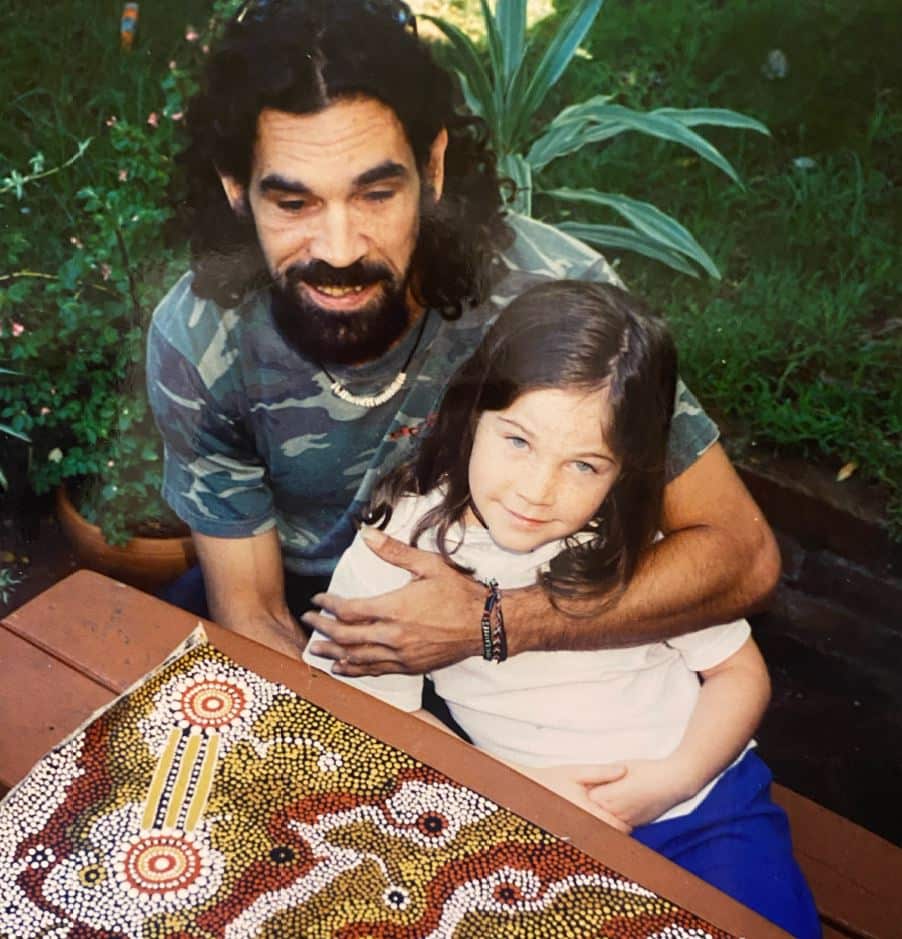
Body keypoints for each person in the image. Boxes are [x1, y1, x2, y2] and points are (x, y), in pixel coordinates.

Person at [147, 0, 780, 675]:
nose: (338, 249)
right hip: (318, 626)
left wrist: (500, 622)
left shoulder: (553, 294)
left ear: (434, 168)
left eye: (376, 195)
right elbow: (254, 613)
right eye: (294, 203)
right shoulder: (202, 339)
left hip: (528, 620)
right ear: (236, 189)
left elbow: (743, 555)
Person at [304, 281, 820, 938]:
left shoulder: (640, 540)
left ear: (624, 470)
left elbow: (738, 671)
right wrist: (520, 787)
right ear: (472, 412)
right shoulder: (397, 549)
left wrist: (671, 780)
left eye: (584, 465)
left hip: (706, 802)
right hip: (521, 811)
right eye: (518, 441)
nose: (537, 491)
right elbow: (370, 716)